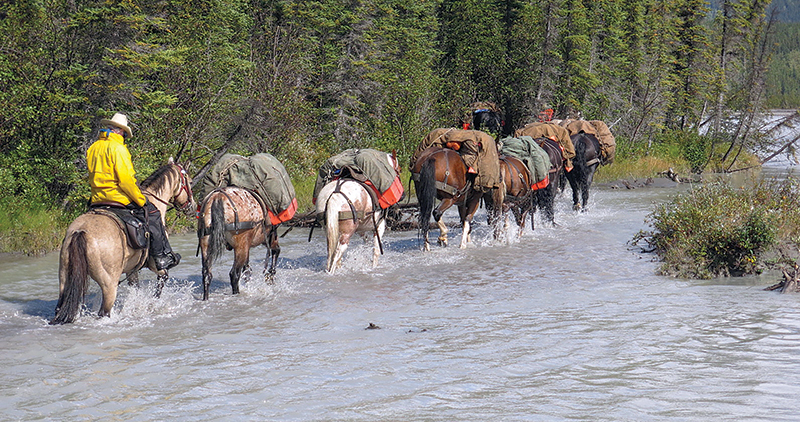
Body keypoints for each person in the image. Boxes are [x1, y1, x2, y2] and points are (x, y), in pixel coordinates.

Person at [86, 113, 181, 270]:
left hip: (97, 199)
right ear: (120, 131)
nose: (124, 137)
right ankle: (161, 257)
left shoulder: (93, 148)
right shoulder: (119, 149)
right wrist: (140, 200)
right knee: (153, 214)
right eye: (124, 134)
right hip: (118, 198)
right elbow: (126, 181)